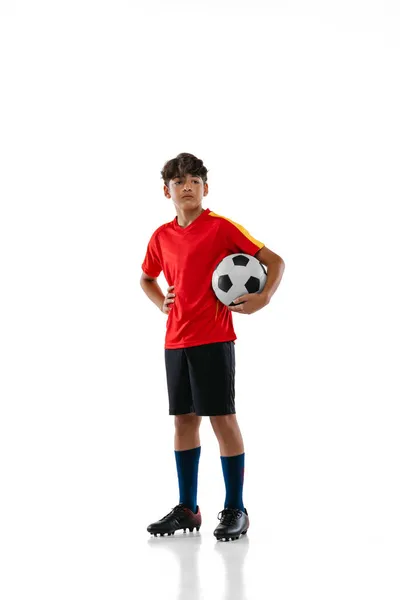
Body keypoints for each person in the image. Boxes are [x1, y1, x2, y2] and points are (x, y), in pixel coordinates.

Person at [140, 153, 285, 542]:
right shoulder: (161, 236)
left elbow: (275, 260)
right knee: (183, 421)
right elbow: (146, 278)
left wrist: (264, 297)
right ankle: (188, 507)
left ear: (206, 188)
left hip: (214, 338)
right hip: (175, 340)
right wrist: (161, 303)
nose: (186, 186)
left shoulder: (221, 228)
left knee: (222, 420)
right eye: (178, 181)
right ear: (165, 190)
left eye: (194, 181)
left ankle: (236, 508)